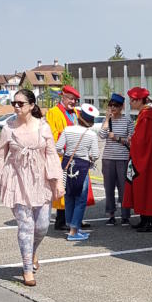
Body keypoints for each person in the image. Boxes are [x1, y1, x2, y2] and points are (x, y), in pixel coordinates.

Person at [0, 89, 64, 286]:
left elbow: (51, 154)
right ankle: (27, 269)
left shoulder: (43, 127)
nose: (16, 106)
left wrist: (58, 181)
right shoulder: (9, 128)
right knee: (26, 226)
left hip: (40, 180)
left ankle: (32, 252)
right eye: (14, 102)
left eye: (20, 103)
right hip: (17, 179)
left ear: (31, 106)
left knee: (41, 226)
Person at [46, 85, 94, 230]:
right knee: (64, 189)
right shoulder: (53, 112)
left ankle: (75, 219)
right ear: (63, 97)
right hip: (63, 156)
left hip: (79, 158)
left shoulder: (76, 113)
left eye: (75, 99)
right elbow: (51, 133)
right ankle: (62, 220)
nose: (73, 102)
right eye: (71, 98)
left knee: (78, 189)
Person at [123, 87, 152, 232]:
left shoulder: (147, 115)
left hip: (146, 159)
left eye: (132, 100)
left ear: (139, 100)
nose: (130, 103)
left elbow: (142, 140)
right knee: (144, 188)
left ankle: (150, 221)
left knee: (147, 188)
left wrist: (132, 140)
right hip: (148, 157)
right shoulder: (147, 114)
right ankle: (145, 219)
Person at [56, 104, 99, 241]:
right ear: (90, 121)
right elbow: (96, 154)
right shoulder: (91, 134)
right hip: (82, 166)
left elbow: (58, 148)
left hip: (67, 164)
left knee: (69, 197)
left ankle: (70, 227)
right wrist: (90, 160)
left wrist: (66, 154)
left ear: (79, 117)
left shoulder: (67, 130)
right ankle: (74, 231)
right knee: (80, 200)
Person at [99, 93, 134, 226]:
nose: (113, 108)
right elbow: (101, 135)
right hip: (108, 158)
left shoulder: (128, 121)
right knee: (108, 188)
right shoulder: (107, 121)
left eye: (116, 106)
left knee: (123, 188)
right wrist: (107, 119)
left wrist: (118, 138)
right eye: (111, 105)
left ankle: (125, 215)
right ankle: (111, 215)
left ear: (122, 107)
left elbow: (132, 141)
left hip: (123, 158)